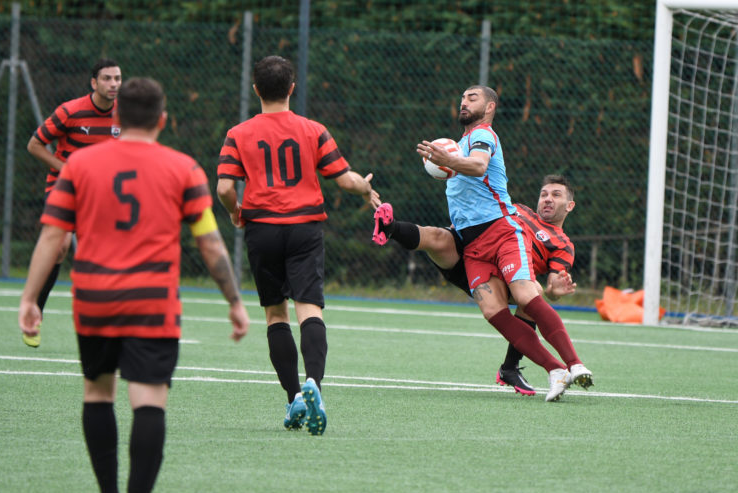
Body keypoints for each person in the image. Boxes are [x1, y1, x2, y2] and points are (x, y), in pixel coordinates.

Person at [19, 77, 250, 493]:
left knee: (97, 393)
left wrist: (31, 297)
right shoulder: (184, 169)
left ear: (117, 117)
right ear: (162, 120)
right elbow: (209, 242)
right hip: (153, 302)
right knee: (149, 402)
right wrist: (235, 302)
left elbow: (52, 237)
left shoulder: (78, 167)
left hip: (95, 299)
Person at [216, 55, 380, 434]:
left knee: (276, 315)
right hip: (305, 228)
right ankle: (314, 385)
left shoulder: (238, 133)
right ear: (292, 88)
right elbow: (345, 179)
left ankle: (293, 399)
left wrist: (235, 211)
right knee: (309, 308)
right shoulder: (312, 129)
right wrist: (365, 188)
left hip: (262, 229)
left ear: (256, 89)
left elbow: (224, 187)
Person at [400, 85, 590, 401]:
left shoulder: (482, 135)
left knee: (527, 294)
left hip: (501, 234)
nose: (464, 102)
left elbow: (478, 166)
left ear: (490, 107)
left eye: (472, 98)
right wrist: (447, 161)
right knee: (492, 311)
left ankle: (574, 364)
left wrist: (447, 159)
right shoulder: (462, 145)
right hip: (473, 247)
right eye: (462, 98)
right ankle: (555, 370)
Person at [373, 174, 589, 396]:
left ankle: (519, 367)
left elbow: (553, 286)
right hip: (473, 251)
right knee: (437, 237)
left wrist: (555, 291)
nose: (548, 199)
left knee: (534, 290)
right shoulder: (518, 210)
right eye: (544, 194)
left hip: (504, 279)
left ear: (570, 205)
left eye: (556, 195)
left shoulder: (563, 244)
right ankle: (390, 227)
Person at [23, 58, 123, 348]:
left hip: (101, 194)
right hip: (64, 188)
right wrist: (68, 170)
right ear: (94, 83)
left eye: (117, 78)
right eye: (107, 78)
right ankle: (34, 313)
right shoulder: (70, 111)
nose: (113, 84)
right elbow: (34, 145)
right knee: (59, 247)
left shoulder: (125, 115)